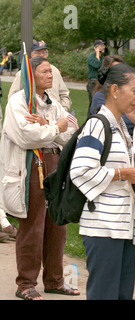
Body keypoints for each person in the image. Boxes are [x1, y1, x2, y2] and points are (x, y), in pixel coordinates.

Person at [70, 63, 135, 300]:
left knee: (122, 294)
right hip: (103, 226)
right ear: (115, 90)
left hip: (124, 225)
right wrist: (122, 173)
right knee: (104, 294)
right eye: (134, 90)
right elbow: (81, 171)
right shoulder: (98, 124)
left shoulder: (121, 127)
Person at [0, 56, 78, 300]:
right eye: (44, 71)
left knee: (57, 225)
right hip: (32, 167)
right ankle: (26, 284)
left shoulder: (52, 102)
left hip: (54, 164)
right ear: (30, 76)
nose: (50, 75)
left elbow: (73, 129)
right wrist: (56, 128)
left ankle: (55, 280)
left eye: (51, 71)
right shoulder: (18, 103)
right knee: (33, 227)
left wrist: (49, 125)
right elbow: (26, 136)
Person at [88, 55, 135, 136]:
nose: (119, 75)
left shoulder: (133, 96)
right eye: (115, 72)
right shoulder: (100, 96)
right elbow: (109, 124)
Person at [9, 41, 72, 112]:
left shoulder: (55, 71)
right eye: (38, 52)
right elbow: (12, 98)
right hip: (35, 117)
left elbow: (65, 95)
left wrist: (62, 111)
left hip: (56, 116)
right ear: (32, 55)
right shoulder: (24, 73)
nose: (41, 55)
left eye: (44, 52)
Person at [87, 40, 106, 104]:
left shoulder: (103, 58)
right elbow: (96, 65)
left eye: (103, 45)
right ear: (96, 48)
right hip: (93, 82)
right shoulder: (91, 57)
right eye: (101, 46)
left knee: (100, 103)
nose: (104, 47)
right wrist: (97, 54)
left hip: (101, 82)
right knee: (93, 102)